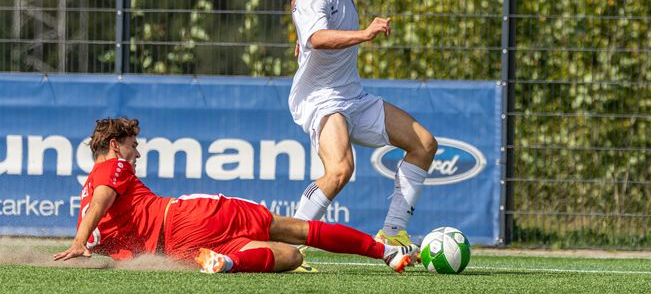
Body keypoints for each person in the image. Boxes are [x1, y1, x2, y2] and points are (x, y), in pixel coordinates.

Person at [53, 117, 419, 274]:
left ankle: (229, 264)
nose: (137, 154)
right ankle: (385, 252)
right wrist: (79, 241)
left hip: (179, 250)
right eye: (133, 146)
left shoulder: (88, 202)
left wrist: (86, 245)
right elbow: (104, 194)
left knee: (289, 258)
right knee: (294, 230)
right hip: (189, 216)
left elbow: (101, 211)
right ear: (114, 146)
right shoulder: (112, 168)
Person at [289, 0, 437, 248]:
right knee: (341, 169)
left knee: (424, 145)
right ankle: (289, 240)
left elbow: (304, 20)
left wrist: (299, 29)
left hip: (354, 97)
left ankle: (394, 233)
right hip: (322, 100)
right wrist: (364, 34)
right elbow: (318, 36)